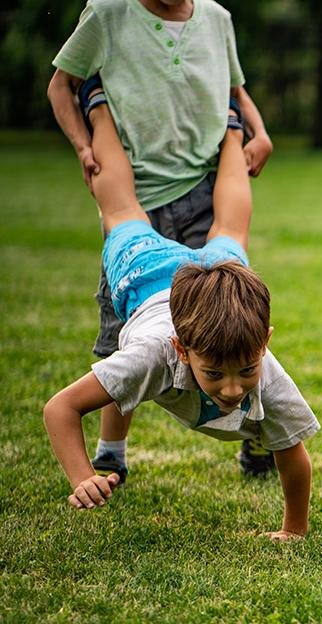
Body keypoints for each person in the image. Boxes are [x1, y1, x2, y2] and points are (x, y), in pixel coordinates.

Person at [42, 85, 317, 541]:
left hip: (213, 277)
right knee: (121, 208)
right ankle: (100, 107)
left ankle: (231, 129)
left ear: (264, 340)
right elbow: (61, 409)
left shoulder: (265, 368)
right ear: (181, 350)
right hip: (146, 276)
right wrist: (80, 475)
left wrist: (294, 531)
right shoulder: (153, 354)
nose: (233, 388)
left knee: (231, 228)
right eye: (215, 374)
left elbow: (293, 454)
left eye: (246, 370)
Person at [47, 0, 276, 482]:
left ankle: (260, 439)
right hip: (138, 185)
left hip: (201, 185)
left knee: (233, 325)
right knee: (120, 337)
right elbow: (58, 85)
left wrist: (256, 129)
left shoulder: (216, 18)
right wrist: (84, 144)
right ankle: (112, 451)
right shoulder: (107, 14)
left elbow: (235, 89)